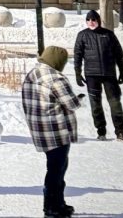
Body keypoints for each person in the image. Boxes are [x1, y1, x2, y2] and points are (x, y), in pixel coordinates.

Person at [22, 46, 83, 218]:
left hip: (39, 128)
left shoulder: (32, 74)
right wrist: (78, 99)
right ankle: (51, 206)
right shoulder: (56, 78)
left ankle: (58, 203)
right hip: (56, 130)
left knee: (55, 167)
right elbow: (71, 104)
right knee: (57, 169)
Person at [72, 9, 123, 142]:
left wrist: (122, 71)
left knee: (115, 103)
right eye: (88, 20)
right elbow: (77, 55)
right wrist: (77, 72)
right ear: (86, 21)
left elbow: (118, 54)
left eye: (94, 19)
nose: (91, 22)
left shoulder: (108, 34)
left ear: (98, 20)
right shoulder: (82, 35)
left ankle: (120, 132)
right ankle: (101, 132)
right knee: (95, 105)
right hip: (91, 75)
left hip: (109, 74)